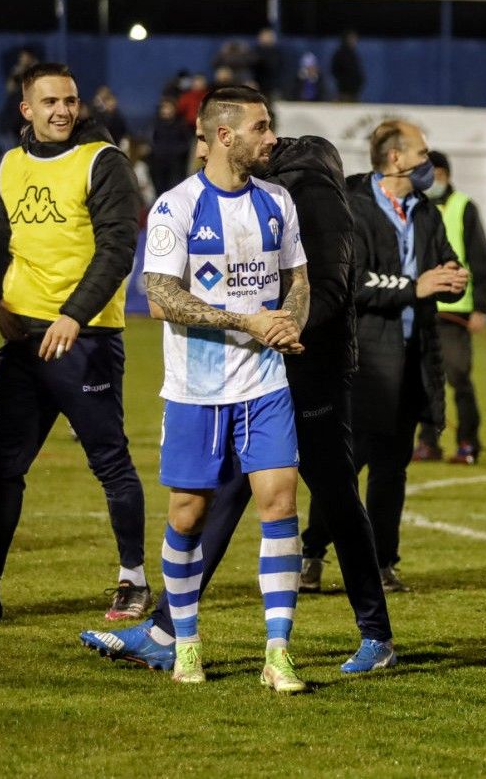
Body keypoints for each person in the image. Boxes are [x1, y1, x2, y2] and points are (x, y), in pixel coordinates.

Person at [80, 130, 399, 676]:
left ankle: (376, 635)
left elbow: (324, 285)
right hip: (259, 368)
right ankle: (166, 630)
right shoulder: (261, 191)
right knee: (223, 497)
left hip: (308, 369)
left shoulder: (307, 194)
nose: (265, 140)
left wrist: (289, 328)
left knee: (334, 498)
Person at [138, 85, 310, 691]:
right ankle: (185, 644)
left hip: (264, 384)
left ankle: (278, 650)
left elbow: (298, 279)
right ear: (225, 135)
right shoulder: (175, 208)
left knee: (281, 503)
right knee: (186, 516)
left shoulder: (278, 201)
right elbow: (159, 297)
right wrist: (247, 321)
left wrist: (290, 322)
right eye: (262, 127)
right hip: (195, 389)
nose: (272, 137)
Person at [0, 62, 149, 623]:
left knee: (109, 461)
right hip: (24, 341)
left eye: (70, 101)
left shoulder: (103, 162)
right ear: (26, 108)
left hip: (86, 339)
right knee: (2, 467)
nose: (63, 111)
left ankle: (132, 580)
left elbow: (118, 250)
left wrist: (74, 315)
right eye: (50, 102)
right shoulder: (8, 165)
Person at [302, 120, 467, 593]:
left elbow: (445, 260)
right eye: (421, 151)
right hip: (363, 360)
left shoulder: (426, 213)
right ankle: (312, 552)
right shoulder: (352, 208)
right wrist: (416, 287)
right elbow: (351, 282)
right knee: (346, 467)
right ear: (395, 158)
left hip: (414, 359)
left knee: (393, 469)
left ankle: (382, 562)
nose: (428, 161)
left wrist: (452, 273)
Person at [413, 151, 486, 465]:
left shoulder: (464, 207)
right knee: (423, 379)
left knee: (458, 378)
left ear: (443, 173)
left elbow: (479, 258)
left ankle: (468, 444)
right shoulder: (413, 206)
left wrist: (480, 308)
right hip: (420, 305)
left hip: (455, 311)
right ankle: (428, 442)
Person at [331, 31, 365, 102]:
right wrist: (344, 82)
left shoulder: (353, 54)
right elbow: (334, 70)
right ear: (346, 39)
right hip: (344, 92)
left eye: (355, 39)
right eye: (351, 39)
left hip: (355, 92)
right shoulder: (340, 54)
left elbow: (357, 72)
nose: (354, 41)